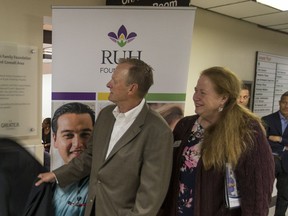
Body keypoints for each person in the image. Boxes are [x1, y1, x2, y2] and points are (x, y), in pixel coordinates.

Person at [35, 58, 174, 216]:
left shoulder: (158, 131)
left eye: (114, 80)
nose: (108, 84)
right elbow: (89, 157)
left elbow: (150, 196)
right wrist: (56, 175)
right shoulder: (106, 116)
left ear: (132, 88)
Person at [160, 66, 274, 216]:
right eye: (195, 90)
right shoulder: (185, 126)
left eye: (203, 93)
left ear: (223, 98)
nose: (195, 97)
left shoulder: (247, 132)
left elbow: (257, 194)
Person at [51, 102, 95, 216]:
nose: (77, 144)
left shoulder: (107, 184)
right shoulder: (45, 186)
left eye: (85, 135)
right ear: (55, 139)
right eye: (68, 135)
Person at [262, 91, 288, 216]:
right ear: (279, 103)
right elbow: (263, 141)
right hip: (269, 162)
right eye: (284, 102)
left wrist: (280, 139)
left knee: (284, 196)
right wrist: (284, 147)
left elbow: (272, 140)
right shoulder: (267, 120)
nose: (286, 106)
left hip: (287, 164)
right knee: (263, 194)